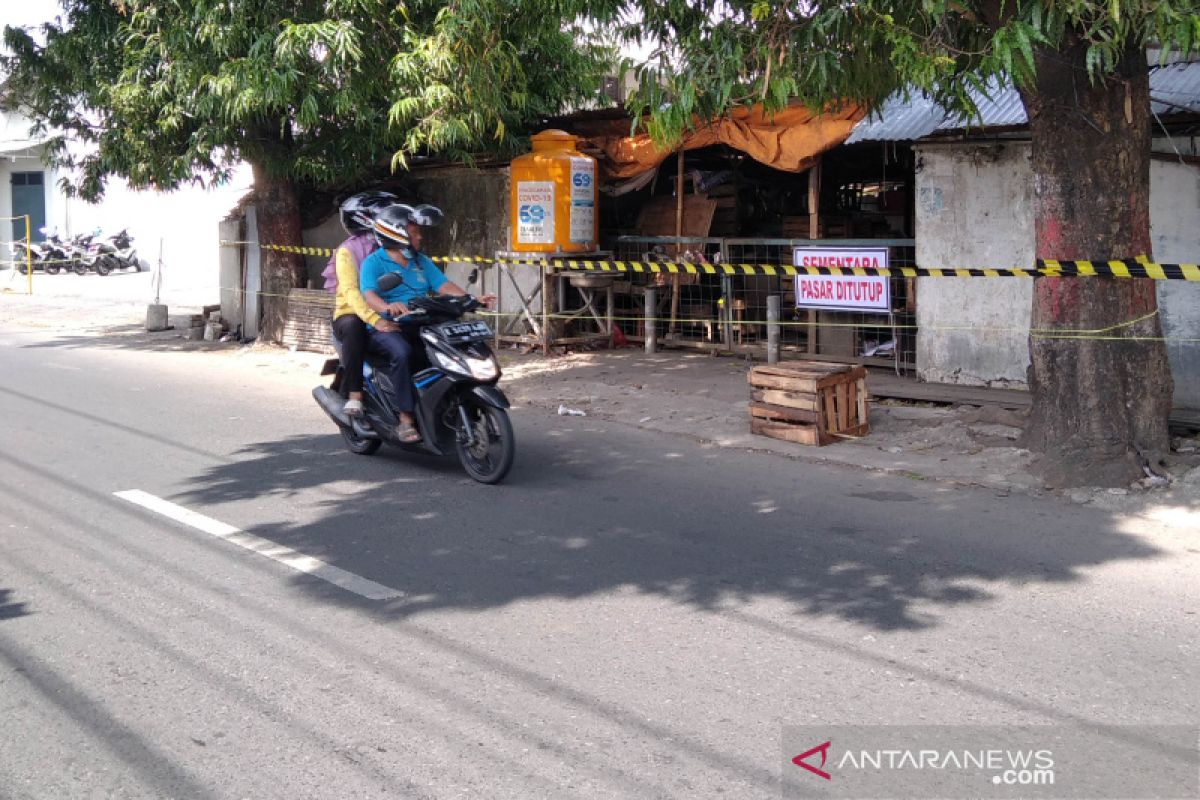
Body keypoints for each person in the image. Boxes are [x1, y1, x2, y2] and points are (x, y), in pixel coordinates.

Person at [359, 203, 494, 444]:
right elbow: (369, 295)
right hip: (388, 326)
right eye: (414, 232)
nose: (420, 236)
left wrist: (472, 299)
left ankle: (449, 400)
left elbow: (444, 286)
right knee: (402, 353)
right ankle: (405, 418)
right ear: (396, 234)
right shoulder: (374, 262)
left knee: (455, 349)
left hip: (422, 321)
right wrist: (387, 307)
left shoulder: (420, 261)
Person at [326, 191, 403, 417]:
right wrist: (374, 319)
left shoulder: (394, 247)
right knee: (353, 326)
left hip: (387, 308)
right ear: (366, 219)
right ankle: (355, 395)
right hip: (352, 313)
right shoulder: (347, 251)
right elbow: (350, 291)